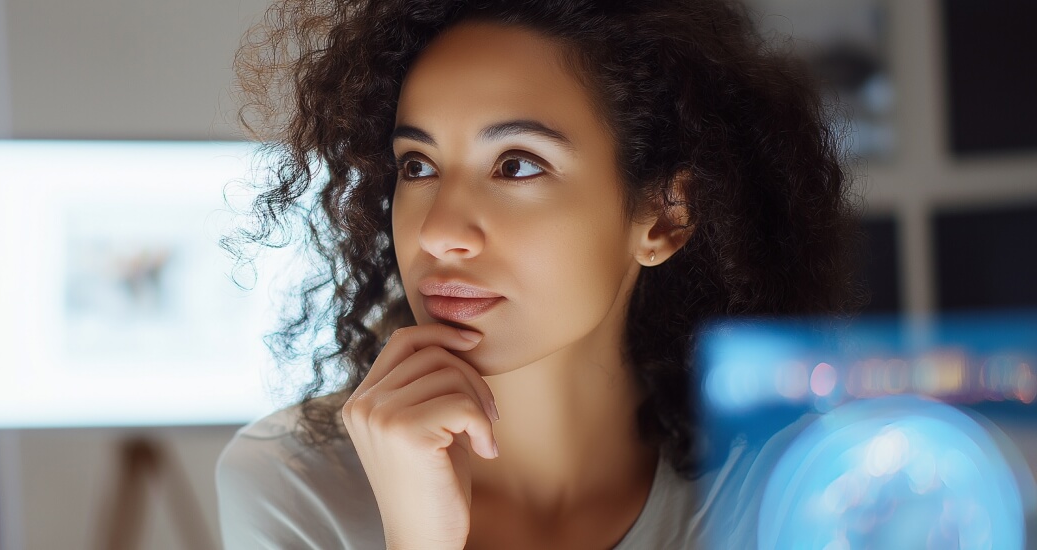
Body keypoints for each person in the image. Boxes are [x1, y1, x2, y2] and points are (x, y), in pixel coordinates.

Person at [215, 0, 861, 548]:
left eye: (518, 165)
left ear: (663, 218)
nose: (439, 231)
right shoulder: (293, 482)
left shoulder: (783, 487)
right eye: (417, 165)